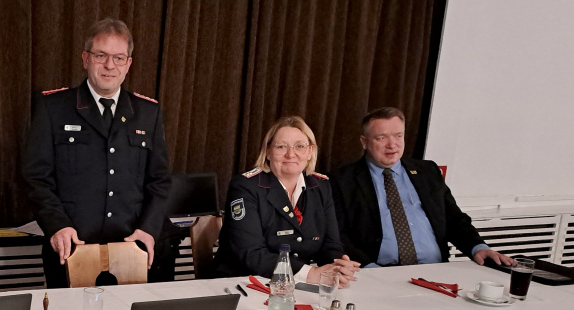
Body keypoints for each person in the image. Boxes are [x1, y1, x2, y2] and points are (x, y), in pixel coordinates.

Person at [23, 17, 172, 287]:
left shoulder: (147, 112)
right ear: (85, 58)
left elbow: (159, 181)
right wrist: (57, 226)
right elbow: (37, 178)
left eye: (118, 58)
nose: (109, 65)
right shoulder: (53, 108)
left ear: (128, 63)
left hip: (132, 247)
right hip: (72, 247)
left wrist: (148, 230)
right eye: (100, 55)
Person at [330, 107, 515, 268]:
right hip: (376, 271)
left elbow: (454, 219)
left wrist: (478, 247)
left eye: (398, 136)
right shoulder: (342, 180)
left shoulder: (427, 172)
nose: (392, 145)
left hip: (434, 270)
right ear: (364, 142)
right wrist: (369, 269)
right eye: (381, 138)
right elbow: (338, 235)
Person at [215, 116, 359, 285]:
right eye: (281, 146)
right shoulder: (246, 187)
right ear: (268, 151)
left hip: (295, 285)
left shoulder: (321, 186)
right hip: (244, 283)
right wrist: (310, 274)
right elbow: (251, 253)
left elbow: (330, 244)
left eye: (300, 146)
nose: (291, 154)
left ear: (310, 151)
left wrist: (338, 266)